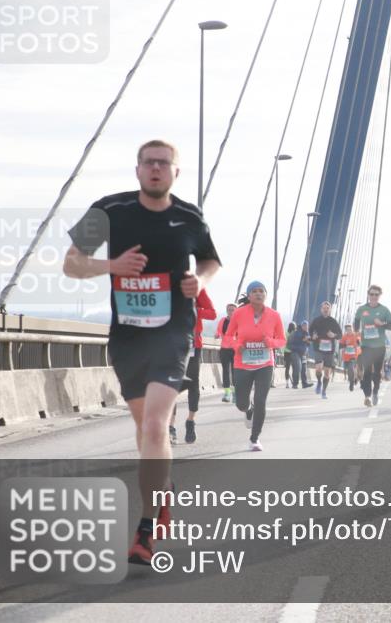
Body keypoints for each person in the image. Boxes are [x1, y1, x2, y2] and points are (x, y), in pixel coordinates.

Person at [63, 139, 221, 564]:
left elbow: (210, 262)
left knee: (155, 426)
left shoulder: (189, 217)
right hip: (128, 336)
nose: (156, 169)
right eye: (149, 163)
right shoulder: (109, 211)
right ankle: (162, 491)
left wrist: (200, 282)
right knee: (143, 429)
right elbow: (72, 263)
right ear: (137, 170)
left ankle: (145, 530)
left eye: (164, 163)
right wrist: (110, 267)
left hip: (174, 333)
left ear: (175, 172)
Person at [227, 281, 286, 451]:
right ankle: (248, 409)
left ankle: (254, 438)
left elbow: (282, 340)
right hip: (242, 364)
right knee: (241, 404)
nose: (258, 294)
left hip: (265, 364)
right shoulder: (239, 314)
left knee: (261, 400)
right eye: (254, 291)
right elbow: (228, 336)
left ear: (266, 295)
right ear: (249, 295)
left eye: (261, 291)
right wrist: (237, 345)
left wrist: (271, 342)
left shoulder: (274, 315)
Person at [169, 288, 216, 444]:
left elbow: (212, 313)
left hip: (192, 346)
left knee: (192, 384)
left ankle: (190, 421)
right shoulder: (162, 285)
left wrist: (195, 310)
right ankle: (170, 427)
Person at [353, 285, 391, 407]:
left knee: (377, 372)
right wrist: (356, 330)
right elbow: (356, 323)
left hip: (379, 346)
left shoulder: (384, 310)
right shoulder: (362, 309)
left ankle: (375, 391)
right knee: (367, 372)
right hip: (366, 345)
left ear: (380, 296)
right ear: (368, 295)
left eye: (376, 294)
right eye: (372, 294)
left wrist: (381, 324)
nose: (374, 297)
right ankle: (367, 396)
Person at [309, 301, 343, 399]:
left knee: (327, 373)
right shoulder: (316, 321)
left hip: (329, 350)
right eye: (324, 308)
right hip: (318, 348)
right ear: (321, 310)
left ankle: (324, 391)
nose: (325, 310)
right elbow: (310, 333)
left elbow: (340, 335)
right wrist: (313, 336)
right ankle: (319, 382)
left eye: (327, 308)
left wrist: (334, 335)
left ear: (330, 310)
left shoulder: (333, 321)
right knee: (319, 369)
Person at [215, 302, 237, 402]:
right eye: (229, 309)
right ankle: (227, 393)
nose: (231, 311)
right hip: (224, 349)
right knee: (225, 371)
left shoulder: (239, 321)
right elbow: (219, 331)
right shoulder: (222, 321)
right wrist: (217, 335)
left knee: (235, 372)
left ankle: (235, 393)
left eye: (233, 309)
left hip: (235, 350)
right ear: (226, 311)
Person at [285, 320, 313, 388]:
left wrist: (308, 341)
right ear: (302, 326)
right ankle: (295, 384)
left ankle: (304, 383)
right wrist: (303, 340)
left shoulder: (307, 333)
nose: (306, 327)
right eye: (305, 326)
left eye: (307, 326)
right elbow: (292, 343)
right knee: (297, 367)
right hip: (295, 352)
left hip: (303, 353)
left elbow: (308, 344)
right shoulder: (296, 333)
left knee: (304, 368)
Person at [340, 324, 362, 392]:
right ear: (346, 330)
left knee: (351, 368)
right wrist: (344, 346)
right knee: (349, 371)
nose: (349, 331)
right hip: (346, 356)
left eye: (350, 329)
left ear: (352, 329)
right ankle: (352, 379)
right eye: (347, 329)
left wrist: (358, 343)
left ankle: (352, 383)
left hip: (354, 355)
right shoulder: (344, 336)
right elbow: (340, 345)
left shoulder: (355, 335)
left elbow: (358, 342)